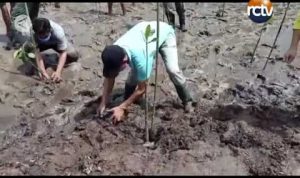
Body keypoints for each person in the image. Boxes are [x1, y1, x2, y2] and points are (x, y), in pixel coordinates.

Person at [97, 21, 195, 124]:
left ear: (124, 61)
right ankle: (127, 98)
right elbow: (109, 77)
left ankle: (187, 100)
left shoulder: (141, 58)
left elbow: (141, 89)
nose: (116, 73)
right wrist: (103, 101)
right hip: (143, 33)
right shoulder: (113, 51)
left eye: (117, 69)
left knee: (173, 70)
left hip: (164, 34)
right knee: (133, 76)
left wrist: (122, 107)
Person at [32, 17, 79, 82]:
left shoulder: (58, 31)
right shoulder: (32, 33)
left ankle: (59, 62)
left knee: (74, 55)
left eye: (45, 35)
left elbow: (63, 52)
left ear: (49, 29)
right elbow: (37, 53)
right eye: (40, 36)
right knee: (31, 56)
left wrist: (58, 72)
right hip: (41, 44)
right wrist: (42, 71)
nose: (43, 37)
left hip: (56, 42)